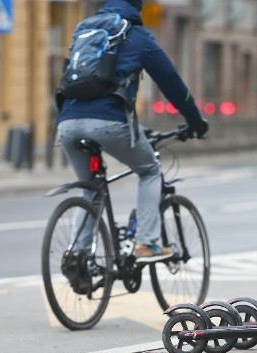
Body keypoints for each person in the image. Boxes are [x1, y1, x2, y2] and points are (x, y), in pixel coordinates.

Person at [57, 0, 208, 265]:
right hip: (109, 122)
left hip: (68, 122)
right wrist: (195, 120)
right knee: (149, 170)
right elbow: (171, 83)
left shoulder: (85, 29)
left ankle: (78, 258)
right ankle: (146, 243)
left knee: (90, 187)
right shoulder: (138, 36)